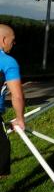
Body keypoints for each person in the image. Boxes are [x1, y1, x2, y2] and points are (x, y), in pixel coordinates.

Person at [1, 24, 25, 179]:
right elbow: (17, 96)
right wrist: (20, 119)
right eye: (12, 40)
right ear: (4, 40)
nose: (13, 43)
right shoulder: (7, 61)